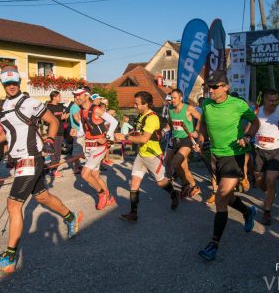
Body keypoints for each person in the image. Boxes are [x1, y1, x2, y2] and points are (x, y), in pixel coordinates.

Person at [0, 66, 82, 273]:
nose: (11, 86)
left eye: (14, 82)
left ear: (19, 82)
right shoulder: (3, 106)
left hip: (31, 157)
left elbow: (53, 121)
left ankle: (9, 258)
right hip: (19, 158)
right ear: (2, 84)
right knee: (42, 197)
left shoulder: (29, 102)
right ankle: (71, 217)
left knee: (13, 205)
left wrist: (48, 140)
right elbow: (9, 133)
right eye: (7, 83)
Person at [195, 70, 259, 261]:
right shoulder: (206, 105)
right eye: (209, 87)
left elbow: (255, 122)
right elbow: (203, 125)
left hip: (234, 156)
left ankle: (213, 244)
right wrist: (200, 139)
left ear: (226, 87)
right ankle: (248, 212)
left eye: (215, 87)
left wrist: (247, 137)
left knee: (221, 197)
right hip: (216, 156)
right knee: (228, 195)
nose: (211, 90)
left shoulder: (238, 104)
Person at [115, 91, 180, 222]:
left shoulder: (152, 118)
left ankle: (174, 194)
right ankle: (133, 214)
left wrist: (125, 137)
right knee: (134, 183)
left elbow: (144, 139)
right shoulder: (140, 116)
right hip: (141, 155)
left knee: (161, 182)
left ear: (146, 104)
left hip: (153, 156)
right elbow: (138, 132)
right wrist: (124, 136)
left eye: (137, 104)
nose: (134, 106)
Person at [72, 87, 118, 210]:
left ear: (86, 96)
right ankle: (109, 197)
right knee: (95, 176)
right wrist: (75, 133)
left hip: (99, 147)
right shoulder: (81, 112)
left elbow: (114, 122)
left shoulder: (96, 109)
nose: (76, 98)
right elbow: (83, 131)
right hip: (88, 146)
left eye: (79, 96)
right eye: (75, 96)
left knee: (85, 174)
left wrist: (107, 137)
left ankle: (101, 194)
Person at [253, 89, 279, 225]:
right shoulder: (257, 112)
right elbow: (250, 126)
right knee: (259, 179)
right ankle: (270, 194)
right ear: (264, 100)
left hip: (274, 151)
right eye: (271, 100)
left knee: (271, 180)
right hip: (259, 151)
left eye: (276, 100)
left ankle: (267, 211)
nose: (274, 103)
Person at [168, 89, 202, 198]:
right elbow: (170, 124)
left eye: (174, 98)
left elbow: (201, 119)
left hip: (187, 140)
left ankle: (185, 185)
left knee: (175, 163)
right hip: (176, 141)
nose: (172, 100)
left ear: (181, 98)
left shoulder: (188, 108)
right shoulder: (170, 110)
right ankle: (194, 186)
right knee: (184, 168)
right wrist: (165, 129)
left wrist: (196, 131)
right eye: (171, 98)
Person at [46, 90, 69, 178]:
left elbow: (66, 112)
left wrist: (65, 117)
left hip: (61, 132)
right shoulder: (49, 107)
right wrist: (60, 118)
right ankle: (53, 170)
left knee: (58, 152)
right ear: (54, 97)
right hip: (53, 133)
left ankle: (54, 169)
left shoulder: (60, 106)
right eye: (59, 96)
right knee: (54, 152)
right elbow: (48, 121)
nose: (60, 98)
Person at [68, 92, 83, 174]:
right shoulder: (74, 107)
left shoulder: (77, 107)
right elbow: (76, 118)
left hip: (78, 130)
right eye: (79, 99)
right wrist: (83, 122)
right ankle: (76, 168)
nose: (81, 101)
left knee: (79, 150)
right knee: (77, 151)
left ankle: (78, 166)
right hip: (77, 131)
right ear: (76, 99)